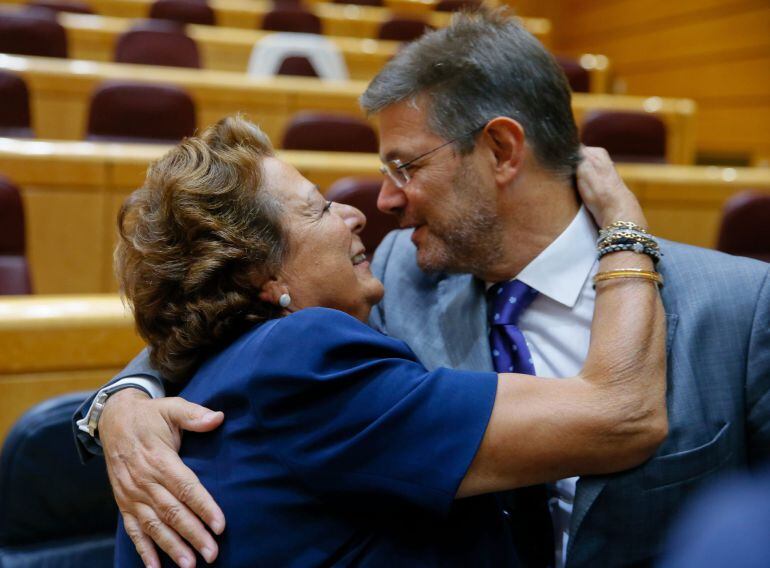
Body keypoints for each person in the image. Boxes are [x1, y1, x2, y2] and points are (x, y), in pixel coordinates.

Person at [75, 8, 770, 568]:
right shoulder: (399, 278)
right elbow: (234, 329)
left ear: (501, 151)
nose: (380, 203)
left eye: (405, 167)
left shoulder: (743, 306)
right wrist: (123, 402)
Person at [99, 113, 665, 567]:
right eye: (319, 209)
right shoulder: (306, 358)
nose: (354, 214)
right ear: (262, 277)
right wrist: (625, 229)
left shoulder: (221, 370)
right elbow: (621, 416)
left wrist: (118, 398)